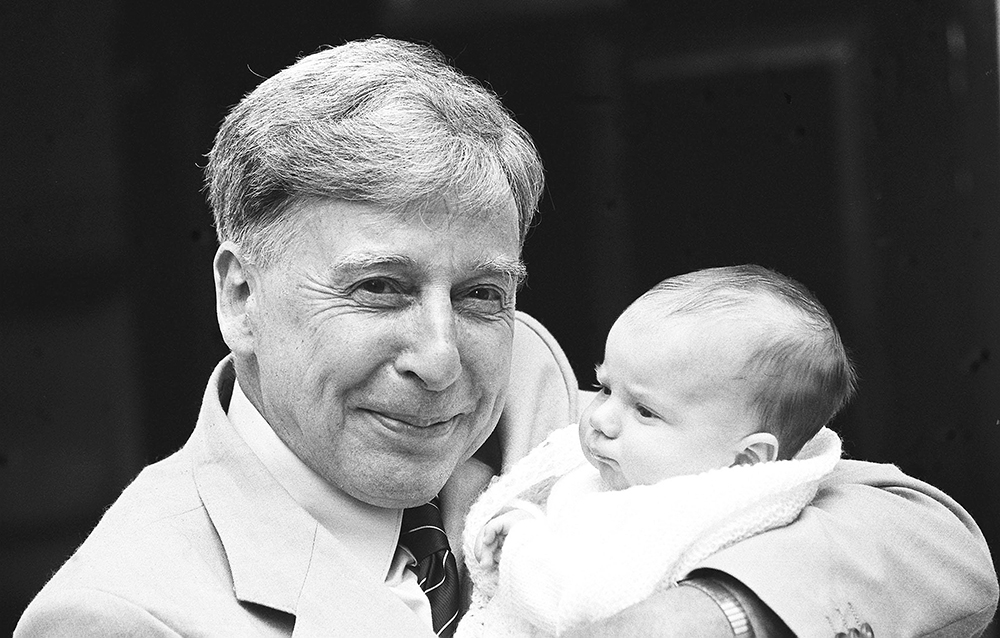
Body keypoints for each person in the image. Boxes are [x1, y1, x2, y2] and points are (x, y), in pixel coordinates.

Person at [12, 37, 997, 638]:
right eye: (381, 287)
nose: (443, 357)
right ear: (240, 296)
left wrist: (713, 612)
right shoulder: (119, 614)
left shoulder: (529, 379)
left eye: (482, 291)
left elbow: (927, 538)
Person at [457, 265, 853, 637]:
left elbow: (584, 606)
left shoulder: (681, 518)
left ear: (746, 461)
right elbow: (568, 524)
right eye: (605, 388)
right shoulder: (636, 473)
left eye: (645, 411)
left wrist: (522, 543)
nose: (600, 418)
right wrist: (529, 514)